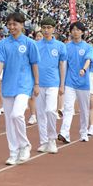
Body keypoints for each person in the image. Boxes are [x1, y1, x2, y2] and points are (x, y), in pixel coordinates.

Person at [0, 12, 40, 166]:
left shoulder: (29, 43)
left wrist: (36, 84)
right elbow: (0, 62)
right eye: (10, 24)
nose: (12, 27)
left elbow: (34, 64)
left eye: (15, 24)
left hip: (24, 84)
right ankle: (13, 152)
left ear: (22, 25)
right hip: (8, 85)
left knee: (17, 114)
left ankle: (24, 145)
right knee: (9, 121)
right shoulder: (3, 44)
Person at [34, 17, 66, 153]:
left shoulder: (60, 46)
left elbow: (62, 65)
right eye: (44, 27)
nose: (46, 30)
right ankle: (44, 141)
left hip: (53, 83)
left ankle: (52, 139)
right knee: (40, 113)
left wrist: (62, 84)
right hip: (39, 84)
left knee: (50, 110)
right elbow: (32, 64)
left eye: (49, 28)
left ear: (53, 29)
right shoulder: (36, 45)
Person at [59, 21, 92, 144]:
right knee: (68, 108)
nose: (75, 32)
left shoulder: (87, 47)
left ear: (82, 32)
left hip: (83, 84)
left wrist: (84, 69)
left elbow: (88, 60)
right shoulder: (66, 47)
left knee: (84, 110)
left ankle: (84, 132)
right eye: (73, 30)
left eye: (78, 30)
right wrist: (62, 83)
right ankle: (64, 133)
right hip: (70, 83)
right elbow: (64, 64)